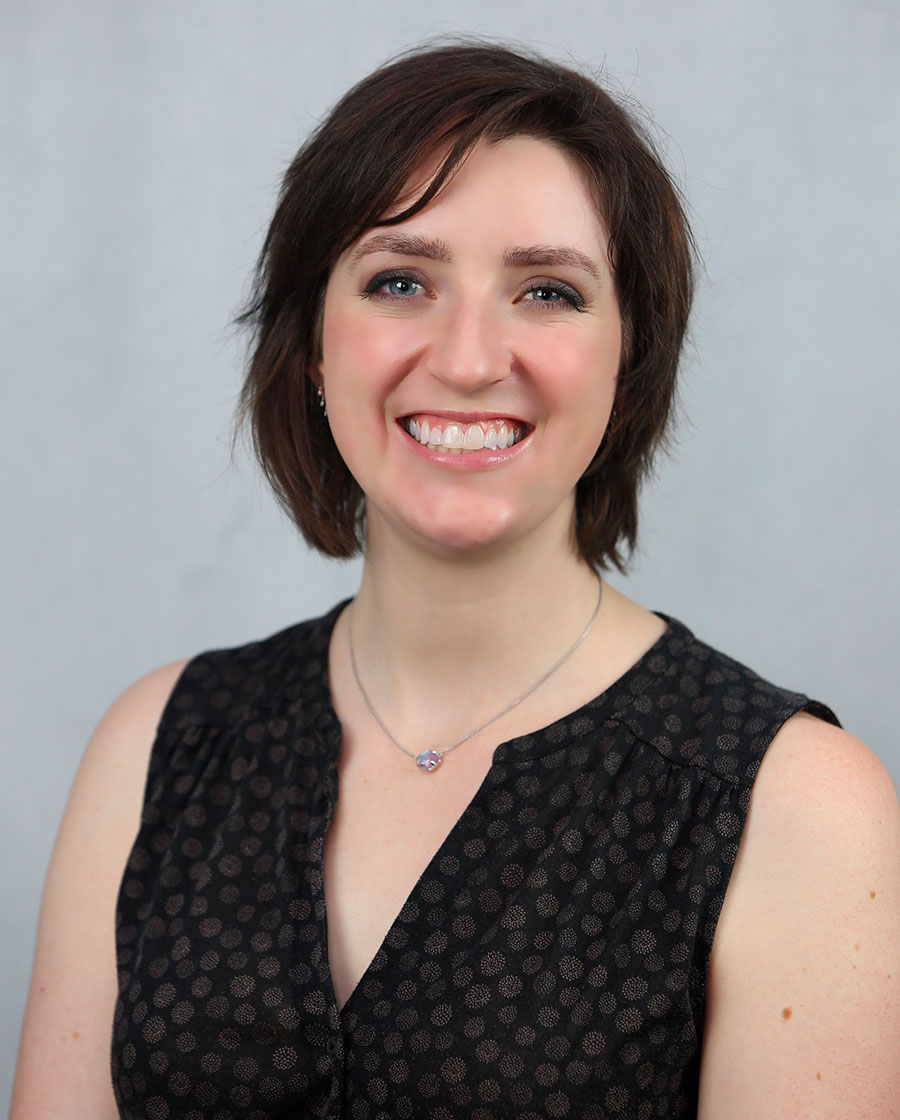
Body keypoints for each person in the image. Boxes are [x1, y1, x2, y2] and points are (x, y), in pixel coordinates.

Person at [11, 40, 900, 1120]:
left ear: (628, 362)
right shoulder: (157, 746)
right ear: (313, 348)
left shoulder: (793, 802)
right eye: (399, 280)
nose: (472, 356)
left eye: (547, 291)